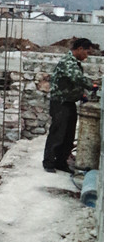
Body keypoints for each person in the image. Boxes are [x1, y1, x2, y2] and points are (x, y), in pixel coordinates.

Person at [42, 38, 96, 173]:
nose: (87, 56)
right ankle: (49, 162)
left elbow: (71, 83)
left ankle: (61, 162)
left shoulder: (74, 62)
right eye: (87, 52)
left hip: (69, 102)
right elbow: (77, 78)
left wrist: (80, 94)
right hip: (60, 103)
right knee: (58, 133)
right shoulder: (68, 62)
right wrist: (93, 86)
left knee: (68, 135)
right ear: (80, 49)